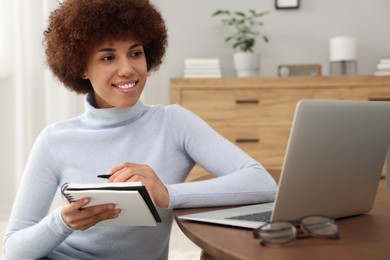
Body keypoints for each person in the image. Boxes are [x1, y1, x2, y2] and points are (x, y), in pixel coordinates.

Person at [3, 0, 277, 259]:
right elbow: (13, 249)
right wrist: (62, 221)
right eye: (108, 57)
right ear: (81, 67)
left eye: (135, 53)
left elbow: (261, 183)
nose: (127, 69)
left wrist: (168, 194)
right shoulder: (54, 140)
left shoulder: (174, 122)